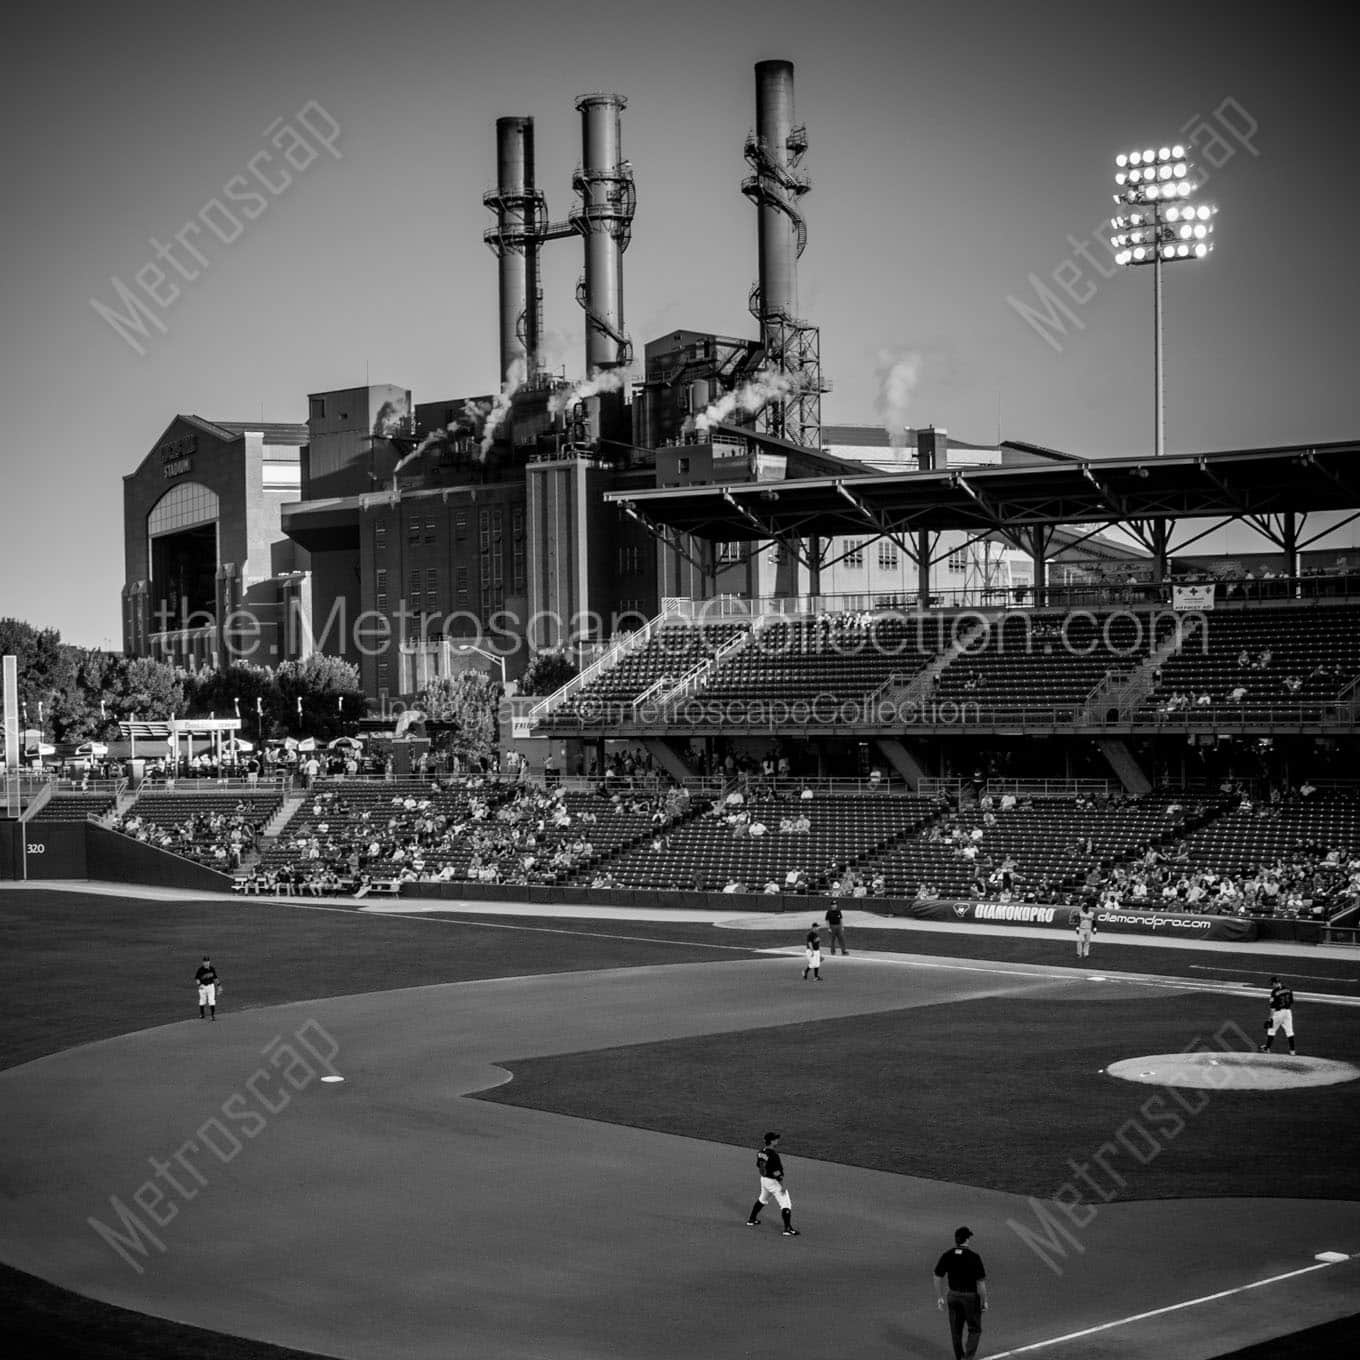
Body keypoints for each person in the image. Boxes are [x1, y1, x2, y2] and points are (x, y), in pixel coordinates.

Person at [933, 1226, 987, 1360]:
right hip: (970, 1298)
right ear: (967, 1240)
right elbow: (980, 1283)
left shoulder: (948, 1255)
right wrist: (984, 1301)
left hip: (953, 1296)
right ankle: (968, 1358)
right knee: (974, 1329)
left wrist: (940, 1297)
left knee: (956, 1331)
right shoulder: (974, 1257)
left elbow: (937, 1275)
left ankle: (959, 1357)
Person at [745, 1131, 799, 1235]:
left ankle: (751, 1219)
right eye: (775, 1139)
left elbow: (759, 1166)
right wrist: (782, 1185)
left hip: (764, 1180)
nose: (777, 1140)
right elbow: (777, 1172)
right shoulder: (774, 1155)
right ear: (771, 1141)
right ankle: (788, 1229)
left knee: (763, 1199)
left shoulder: (761, 1152)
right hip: (773, 1181)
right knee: (785, 1203)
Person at [1261, 975, 1297, 1055]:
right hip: (1288, 1012)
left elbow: (1272, 1008)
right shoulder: (1288, 990)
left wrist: (1269, 1019)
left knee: (1271, 1030)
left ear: (1275, 983)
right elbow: (1291, 1002)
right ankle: (1292, 1051)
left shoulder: (1274, 992)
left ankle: (1267, 1048)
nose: (1272, 985)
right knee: (1290, 1031)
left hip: (1278, 1013)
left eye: (1272, 984)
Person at [195, 955, 221, 1021]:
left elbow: (215, 978)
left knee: (211, 1000)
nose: (206, 963)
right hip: (202, 987)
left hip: (211, 987)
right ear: (203, 962)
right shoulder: (200, 970)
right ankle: (202, 1014)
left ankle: (212, 1015)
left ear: (209, 962)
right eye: (205, 961)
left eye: (207, 961)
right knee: (202, 1000)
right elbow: (197, 979)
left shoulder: (212, 969)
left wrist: (219, 986)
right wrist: (199, 984)